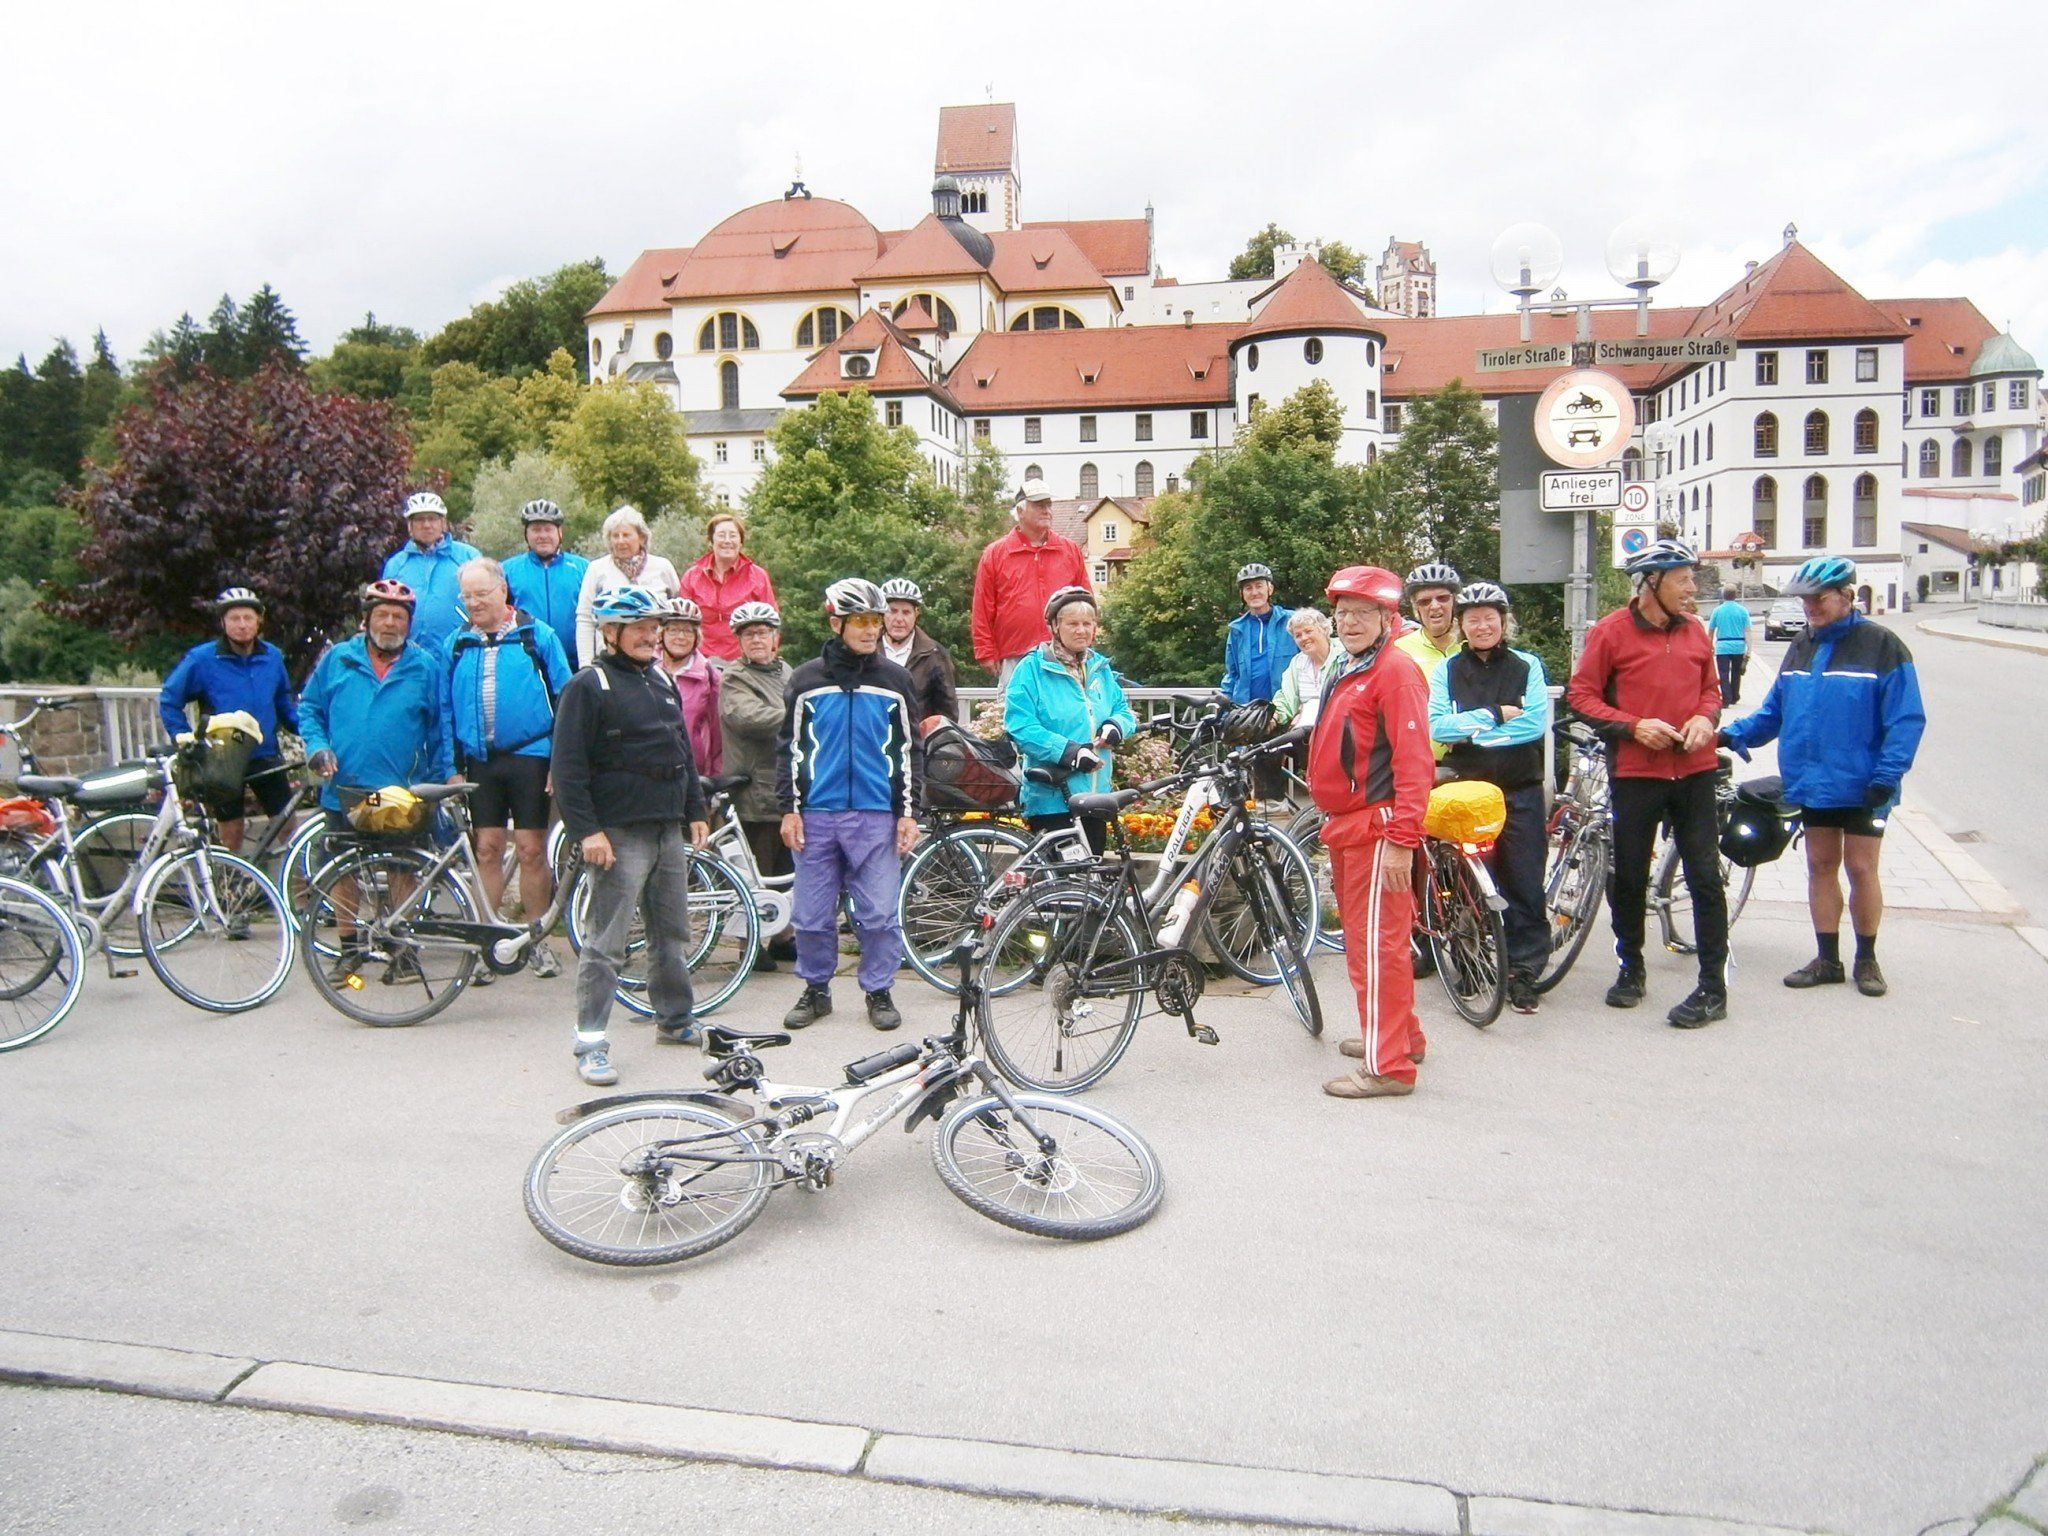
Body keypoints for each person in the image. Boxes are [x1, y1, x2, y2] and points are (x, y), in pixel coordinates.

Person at [1720, 556, 1925, 998]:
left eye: (1820, 598)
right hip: (1814, 782)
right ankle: (1827, 959)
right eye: (1806, 599)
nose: (1811, 606)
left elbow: (1906, 719)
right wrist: (1731, 734)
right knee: (1820, 865)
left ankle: (1867, 959)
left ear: (1847, 596)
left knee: (1861, 867)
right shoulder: (1801, 644)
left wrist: (1887, 776)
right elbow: (1775, 710)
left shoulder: (1882, 645)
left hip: (1866, 782)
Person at [1566, 538, 1728, 1029]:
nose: (1691, 588)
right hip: (1637, 774)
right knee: (1631, 875)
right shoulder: (1612, 632)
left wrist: (1705, 718)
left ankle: (1713, 986)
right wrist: (1634, 725)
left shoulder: (1696, 629)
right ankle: (1630, 967)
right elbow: (1581, 696)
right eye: (1683, 579)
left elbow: (1712, 691)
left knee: (1704, 875)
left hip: (1695, 770)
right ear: (1653, 582)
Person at [552, 585, 710, 1086]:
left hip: (665, 827)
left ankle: (675, 1019)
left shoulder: (660, 679)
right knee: (607, 942)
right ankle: (590, 1042)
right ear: (610, 632)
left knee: (671, 932)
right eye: (640, 628)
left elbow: (681, 752)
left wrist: (695, 811)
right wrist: (587, 831)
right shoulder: (588, 685)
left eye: (654, 628)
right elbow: (568, 768)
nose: (651, 636)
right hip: (618, 833)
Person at [1307, 565, 1434, 1100]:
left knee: (1378, 945)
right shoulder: (1355, 665)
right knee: (1369, 943)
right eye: (1343, 612)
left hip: (1379, 830)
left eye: (1364, 612)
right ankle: (1399, 1036)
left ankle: (1389, 1068)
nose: (1350, 621)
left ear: (1388, 618)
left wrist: (1404, 840)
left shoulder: (1394, 671)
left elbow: (1414, 764)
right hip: (1352, 828)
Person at [776, 579, 923, 1033]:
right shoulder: (805, 680)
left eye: (876, 621)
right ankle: (816, 989)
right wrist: (789, 808)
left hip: (876, 814)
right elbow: (789, 748)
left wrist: (909, 812)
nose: (871, 630)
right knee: (811, 916)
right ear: (836, 622)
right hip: (816, 814)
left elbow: (909, 750)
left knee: (879, 913)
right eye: (861, 621)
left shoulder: (894, 680)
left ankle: (878, 990)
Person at [299, 580, 452, 977]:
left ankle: (403, 951)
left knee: (403, 869)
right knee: (344, 870)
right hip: (345, 789)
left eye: (398, 617)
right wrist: (316, 749)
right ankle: (349, 950)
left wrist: (440, 781)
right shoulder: (338, 660)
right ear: (366, 619)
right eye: (382, 615)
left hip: (400, 790)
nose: (389, 623)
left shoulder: (425, 666)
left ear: (409, 623)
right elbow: (310, 709)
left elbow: (439, 730)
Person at [441, 557, 574, 979]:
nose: (475, 603)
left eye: (482, 594)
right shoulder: (458, 642)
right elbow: (443, 710)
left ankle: (534, 943)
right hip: (479, 761)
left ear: (503, 591)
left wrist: (560, 762)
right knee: (487, 850)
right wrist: (450, 766)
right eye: (468, 596)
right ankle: (489, 943)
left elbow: (568, 702)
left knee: (533, 850)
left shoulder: (537, 636)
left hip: (530, 757)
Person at [1428, 582, 1552, 1014]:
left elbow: (1534, 725)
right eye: (1473, 619)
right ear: (1461, 624)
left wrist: (1474, 732)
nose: (1482, 626)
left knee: (1523, 881)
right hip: (1467, 790)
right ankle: (1469, 961)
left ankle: (1524, 971)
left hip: (1520, 788)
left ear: (1503, 622)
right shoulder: (1446, 670)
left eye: (1490, 618)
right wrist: (1497, 715)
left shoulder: (1527, 665)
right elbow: (1439, 728)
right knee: (1466, 883)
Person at [157, 586, 299, 852]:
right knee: (231, 833)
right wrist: (183, 737)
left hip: (265, 754)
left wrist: (313, 732)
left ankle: (299, 891)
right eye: (235, 619)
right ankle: (228, 890)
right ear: (223, 623)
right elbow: (169, 699)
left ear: (259, 621)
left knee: (290, 829)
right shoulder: (202, 659)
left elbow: (284, 704)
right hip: (223, 758)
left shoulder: (272, 657)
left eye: (248, 618)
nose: (242, 625)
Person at [1005, 585, 1136, 857]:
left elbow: (1123, 709)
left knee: (1091, 882)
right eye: (1072, 623)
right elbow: (1020, 726)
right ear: (1055, 626)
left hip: (1096, 795)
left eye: (1088, 624)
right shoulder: (1031, 669)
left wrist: (1116, 726)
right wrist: (1069, 752)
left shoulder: (1100, 668)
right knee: (1058, 887)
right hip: (1053, 800)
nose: (1081, 630)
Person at [720, 600, 797, 969]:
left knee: (785, 865)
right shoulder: (735, 677)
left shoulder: (787, 673)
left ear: (775, 638)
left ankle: (783, 936)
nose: (757, 639)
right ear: (740, 640)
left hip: (785, 784)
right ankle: (749, 943)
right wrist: (798, 714)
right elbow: (747, 717)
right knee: (755, 869)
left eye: (763, 633)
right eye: (749, 634)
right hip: (754, 787)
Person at [971, 478, 1090, 684]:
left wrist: (1087, 638)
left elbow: (1086, 602)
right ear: (1020, 511)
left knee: (1065, 714)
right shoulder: (995, 554)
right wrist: (985, 651)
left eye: (1048, 504)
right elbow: (982, 607)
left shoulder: (1069, 550)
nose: (1046, 510)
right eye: (1038, 505)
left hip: (1064, 655)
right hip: (1016, 656)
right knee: (1016, 714)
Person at [576, 505, 681, 666]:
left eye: (626, 535)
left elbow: (677, 613)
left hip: (657, 660)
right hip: (610, 661)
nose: (620, 541)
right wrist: (585, 663)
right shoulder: (597, 569)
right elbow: (584, 618)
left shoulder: (662, 567)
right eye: (615, 536)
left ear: (641, 538)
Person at [381, 492, 482, 655]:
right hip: (409, 656)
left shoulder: (468, 557)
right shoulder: (396, 564)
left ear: (443, 523)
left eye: (432, 518)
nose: (426, 525)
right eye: (420, 519)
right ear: (410, 525)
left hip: (461, 651)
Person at [678, 513, 777, 664]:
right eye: (721, 535)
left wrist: (770, 657)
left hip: (746, 662)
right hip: (700, 662)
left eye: (733, 535)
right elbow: (682, 623)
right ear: (711, 541)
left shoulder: (758, 576)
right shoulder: (692, 577)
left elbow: (773, 622)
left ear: (741, 541)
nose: (727, 541)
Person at [502, 500, 588, 656]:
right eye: (536, 530)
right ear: (526, 535)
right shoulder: (507, 570)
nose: (542, 536)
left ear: (559, 533)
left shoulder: (583, 568)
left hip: (575, 661)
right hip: (527, 660)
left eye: (548, 529)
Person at [1396, 561, 1463, 762]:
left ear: (1455, 602)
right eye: (1425, 601)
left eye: (1442, 598)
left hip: (1473, 761)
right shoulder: (1399, 650)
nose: (1435, 606)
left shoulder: (1473, 646)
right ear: (1416, 609)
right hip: (1419, 764)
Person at [880, 577, 960, 729]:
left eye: (906, 612)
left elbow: (947, 712)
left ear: (916, 614)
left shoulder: (935, 655)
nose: (899, 619)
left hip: (917, 744)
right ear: (883, 614)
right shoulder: (867, 650)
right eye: (893, 611)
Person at [657, 596, 723, 778]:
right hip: (650, 771)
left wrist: (715, 777)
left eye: (687, 631)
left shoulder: (709, 676)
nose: (680, 637)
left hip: (693, 771)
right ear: (661, 634)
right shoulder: (645, 671)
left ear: (697, 637)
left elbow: (718, 734)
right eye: (673, 630)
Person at [1220, 562, 1298, 705]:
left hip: (1286, 710)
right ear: (1242, 594)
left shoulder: (1292, 621)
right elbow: (1232, 675)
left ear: (1270, 589)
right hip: (1246, 712)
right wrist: (1222, 706)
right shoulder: (1237, 630)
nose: (1254, 592)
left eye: (1259, 586)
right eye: (1248, 588)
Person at [1271, 608, 1339, 729]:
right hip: (1307, 734)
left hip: (1341, 728)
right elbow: (1287, 698)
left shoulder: (1344, 654)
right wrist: (1273, 717)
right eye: (1298, 635)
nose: (1303, 638)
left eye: (1308, 631)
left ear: (1324, 630)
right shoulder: (1298, 663)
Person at [1707, 586, 1752, 707]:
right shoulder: (1742, 610)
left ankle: (1726, 698)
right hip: (1738, 645)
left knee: (1723, 673)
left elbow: (1711, 631)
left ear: (1723, 595)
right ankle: (1735, 696)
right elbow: (1747, 631)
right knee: (1737, 672)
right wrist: (1749, 649)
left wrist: (1709, 645)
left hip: (1722, 645)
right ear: (1736, 595)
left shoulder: (1717, 610)